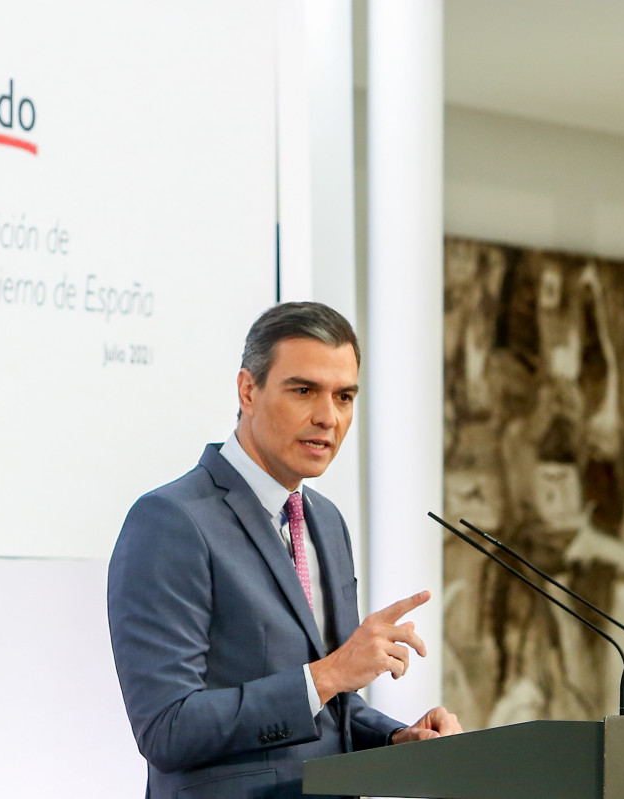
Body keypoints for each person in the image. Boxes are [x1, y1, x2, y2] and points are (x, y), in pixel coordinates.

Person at [107, 301, 460, 799]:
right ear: (248, 390)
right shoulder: (172, 521)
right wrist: (330, 673)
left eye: (344, 397)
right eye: (304, 391)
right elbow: (167, 728)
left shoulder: (326, 521)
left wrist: (397, 738)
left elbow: (327, 704)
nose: (328, 417)